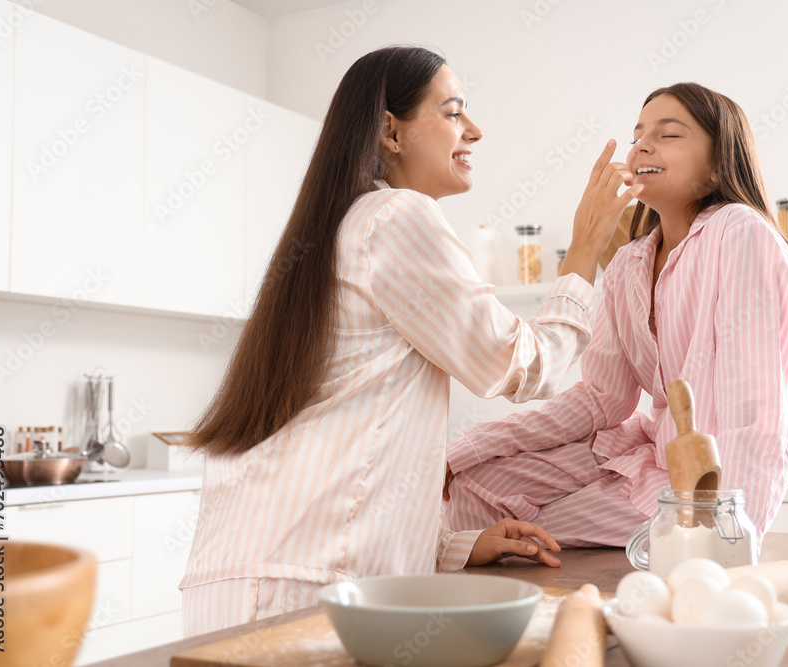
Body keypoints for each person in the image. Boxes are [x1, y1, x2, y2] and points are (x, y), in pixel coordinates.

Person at [178, 46, 642, 636]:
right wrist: (584, 249)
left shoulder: (344, 225)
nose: (474, 129)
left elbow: (354, 443)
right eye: (452, 112)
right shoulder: (397, 217)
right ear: (390, 132)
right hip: (299, 589)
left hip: (260, 577)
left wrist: (454, 548)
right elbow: (521, 367)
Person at [443, 82, 788, 554]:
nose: (642, 146)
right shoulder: (628, 265)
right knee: (474, 480)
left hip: (706, 496)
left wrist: (727, 538)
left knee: (529, 531)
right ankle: (500, 606)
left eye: (669, 134)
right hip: (647, 461)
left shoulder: (739, 235)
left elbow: (753, 412)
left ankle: (553, 594)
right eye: (638, 135)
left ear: (718, 163)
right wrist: (466, 448)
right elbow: (602, 399)